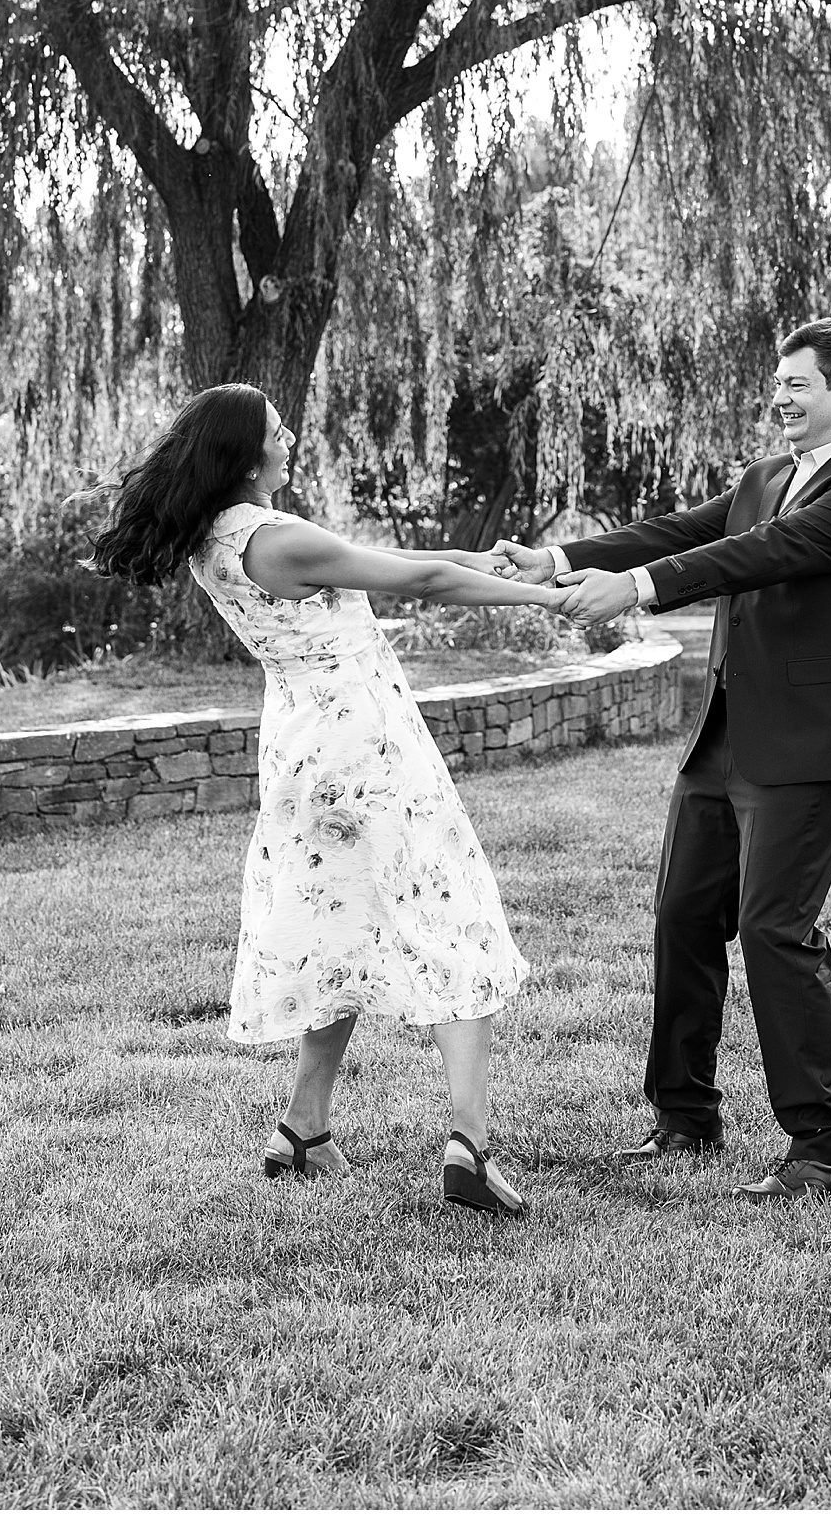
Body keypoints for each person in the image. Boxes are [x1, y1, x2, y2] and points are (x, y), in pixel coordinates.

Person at [92, 380, 570, 1218]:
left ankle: (302, 1129)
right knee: (449, 918)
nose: (289, 441)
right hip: (364, 749)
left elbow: (394, 568)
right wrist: (547, 596)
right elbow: (419, 582)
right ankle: (469, 1147)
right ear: (244, 459)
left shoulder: (222, 537)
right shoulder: (274, 537)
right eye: (277, 433)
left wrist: (482, 559)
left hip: (305, 746)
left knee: (341, 924)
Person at [496, 317, 831, 1202]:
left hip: (810, 743)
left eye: (799, 385)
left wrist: (640, 594)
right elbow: (679, 530)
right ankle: (685, 1119)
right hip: (725, 736)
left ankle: (822, 1149)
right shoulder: (767, 475)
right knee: (683, 916)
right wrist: (559, 559)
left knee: (773, 931)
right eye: (779, 383)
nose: (781, 398)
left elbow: (759, 555)